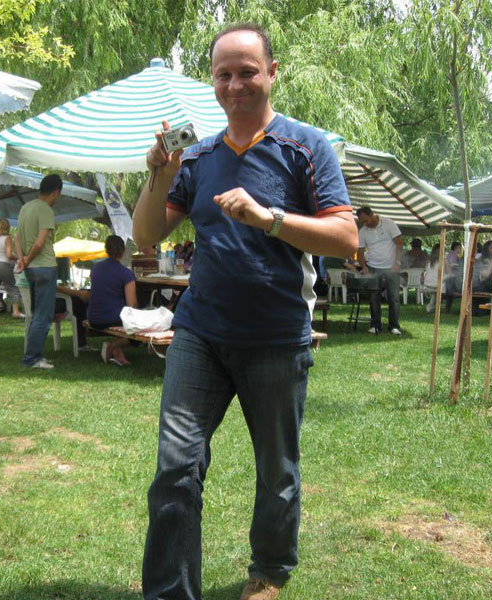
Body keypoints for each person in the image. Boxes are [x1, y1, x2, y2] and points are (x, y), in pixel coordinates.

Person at [132, 23, 357, 600]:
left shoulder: (306, 147)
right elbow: (146, 235)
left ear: (272, 73)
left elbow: (346, 238)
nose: (235, 85)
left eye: (247, 72)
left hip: (277, 336)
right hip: (200, 333)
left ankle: (268, 573)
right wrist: (160, 174)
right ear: (212, 80)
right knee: (175, 467)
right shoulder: (198, 156)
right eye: (224, 74)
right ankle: (170, 592)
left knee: (276, 470)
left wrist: (268, 219)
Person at [15, 174, 62, 369]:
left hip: (31, 269)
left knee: (36, 314)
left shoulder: (25, 208)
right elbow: (40, 242)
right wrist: (28, 258)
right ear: (56, 192)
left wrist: (22, 260)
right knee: (43, 315)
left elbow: (17, 238)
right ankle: (32, 358)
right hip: (45, 267)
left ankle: (34, 355)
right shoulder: (46, 210)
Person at [87, 235, 138, 366]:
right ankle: (113, 346)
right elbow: (132, 305)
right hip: (113, 318)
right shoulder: (126, 274)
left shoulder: (95, 268)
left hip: (94, 318)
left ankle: (116, 351)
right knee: (139, 332)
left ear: (106, 250)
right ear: (123, 251)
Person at [356, 206, 403, 335]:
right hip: (373, 267)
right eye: (362, 222)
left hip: (391, 267)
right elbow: (360, 251)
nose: (365, 224)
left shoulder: (388, 223)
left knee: (393, 297)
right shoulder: (363, 231)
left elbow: (399, 243)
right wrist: (364, 266)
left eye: (366, 220)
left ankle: (394, 326)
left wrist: (398, 262)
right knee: (374, 297)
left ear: (371, 214)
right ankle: (375, 325)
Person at [423, 243, 446, 312]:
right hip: (437, 284)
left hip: (427, 283)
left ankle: (432, 306)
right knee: (448, 284)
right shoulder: (443, 260)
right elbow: (448, 273)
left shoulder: (429, 260)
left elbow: (426, 271)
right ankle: (443, 305)